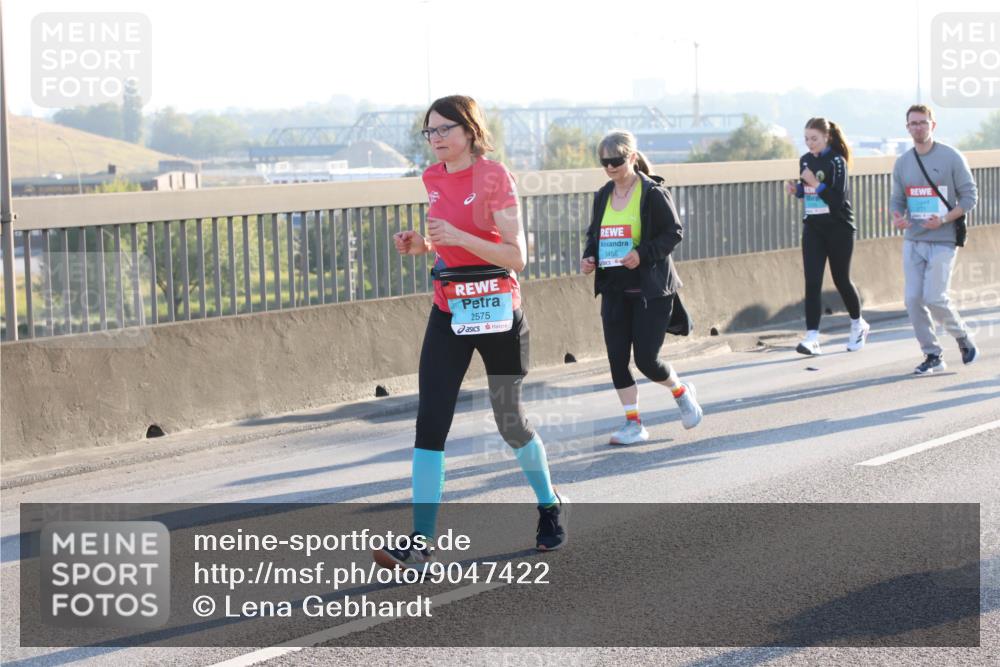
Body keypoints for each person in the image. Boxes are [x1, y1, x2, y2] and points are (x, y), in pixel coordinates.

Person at [374, 95, 566, 570]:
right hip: (450, 310)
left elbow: (516, 257)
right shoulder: (431, 177)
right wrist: (422, 245)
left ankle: (548, 505)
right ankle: (421, 541)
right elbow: (448, 243)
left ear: (470, 131)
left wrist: (459, 237)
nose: (436, 138)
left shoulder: (495, 177)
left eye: (445, 129)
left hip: (498, 312)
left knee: (510, 421)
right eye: (430, 131)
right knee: (430, 422)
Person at [581, 130, 702, 446]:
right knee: (617, 360)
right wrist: (589, 256)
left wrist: (642, 254)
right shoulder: (603, 195)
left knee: (647, 360)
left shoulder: (653, 193)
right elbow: (594, 235)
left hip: (651, 290)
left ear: (632, 158)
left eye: (616, 161)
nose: (610, 167)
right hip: (614, 289)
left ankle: (680, 391)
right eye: (604, 162)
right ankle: (633, 424)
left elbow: (673, 233)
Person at [890, 104, 979, 375]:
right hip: (914, 239)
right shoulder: (903, 162)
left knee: (934, 298)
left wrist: (943, 219)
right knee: (912, 299)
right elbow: (897, 199)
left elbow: (970, 197)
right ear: (907, 128)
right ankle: (932, 354)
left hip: (943, 239)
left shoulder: (951, 157)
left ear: (933, 125)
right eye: (913, 123)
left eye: (922, 122)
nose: (918, 127)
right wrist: (898, 217)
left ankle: (962, 337)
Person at [784, 118, 869, 355]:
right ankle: (812, 337)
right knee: (812, 282)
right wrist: (797, 190)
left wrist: (814, 182)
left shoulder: (837, 161)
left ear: (827, 137)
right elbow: (807, 189)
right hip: (814, 226)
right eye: (806, 139)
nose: (810, 143)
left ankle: (858, 324)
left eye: (814, 139)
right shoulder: (805, 160)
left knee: (841, 279)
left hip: (839, 227)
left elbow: (837, 200)